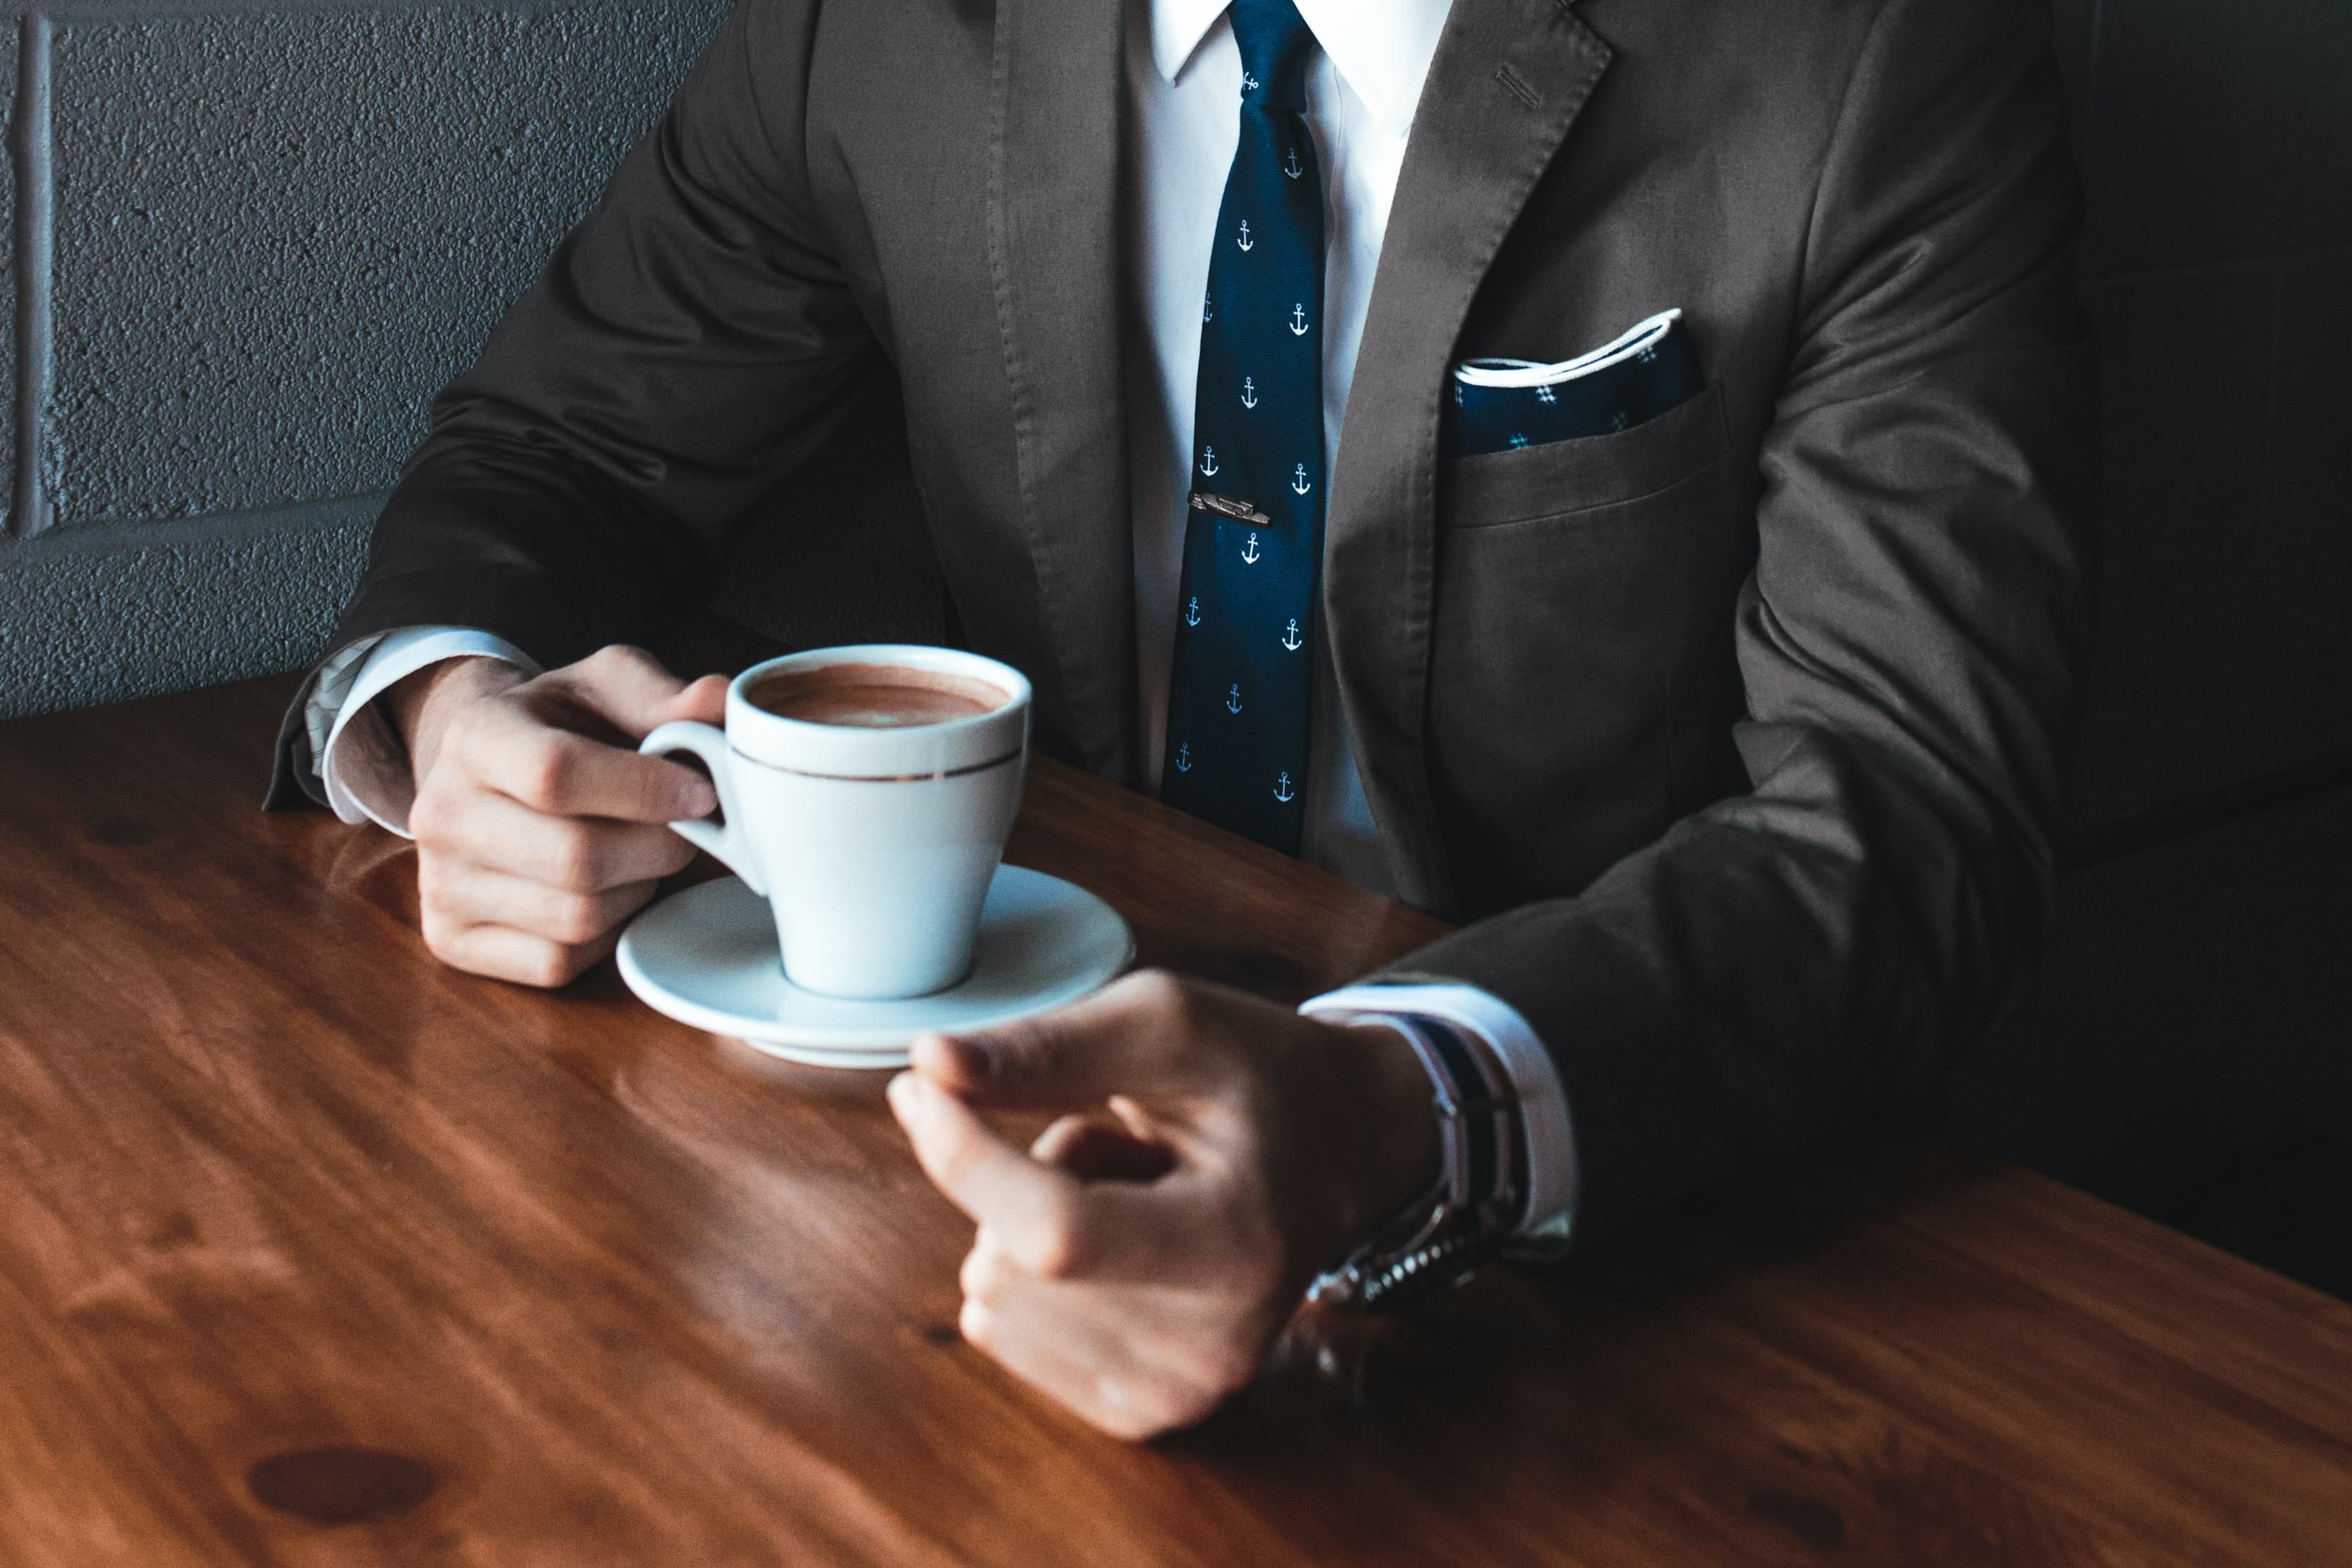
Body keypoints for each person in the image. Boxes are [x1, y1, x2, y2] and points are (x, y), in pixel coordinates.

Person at [268, 0, 2096, 1439]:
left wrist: (1406, 1103)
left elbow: (1907, 811)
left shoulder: (1873, 54)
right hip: (947, 1176)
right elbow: (562, 442)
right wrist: (441, 710)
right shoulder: (870, 26)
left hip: (1610, 1245)